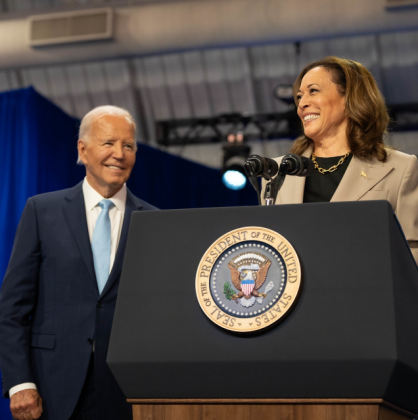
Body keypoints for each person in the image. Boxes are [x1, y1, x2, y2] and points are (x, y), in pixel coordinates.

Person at [0, 105, 157, 420]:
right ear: (83, 151)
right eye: (109, 143)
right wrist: (19, 382)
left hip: (127, 391)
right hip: (51, 387)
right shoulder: (41, 211)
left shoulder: (155, 222)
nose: (120, 154)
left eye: (128, 145)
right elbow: (12, 309)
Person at [264, 56, 418, 263]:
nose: (302, 104)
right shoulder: (276, 172)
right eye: (299, 96)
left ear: (349, 99)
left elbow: (412, 251)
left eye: (313, 91)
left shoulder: (399, 168)